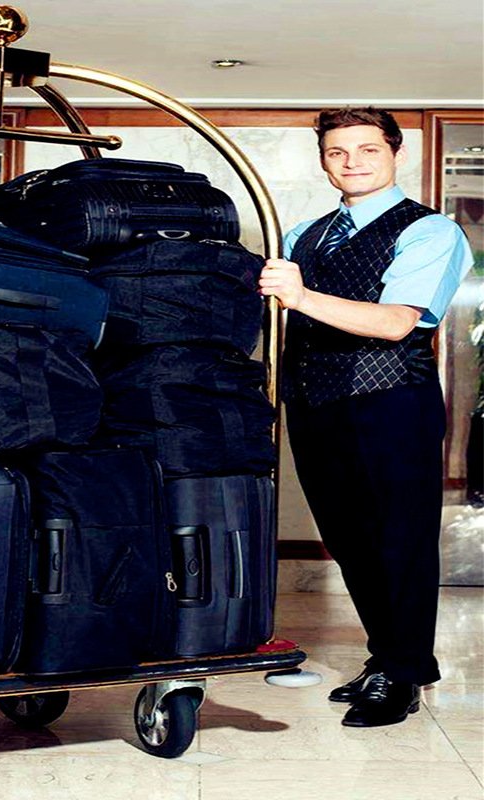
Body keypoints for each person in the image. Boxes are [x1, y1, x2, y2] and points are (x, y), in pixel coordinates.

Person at [259, 107, 473, 728]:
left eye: (367, 149)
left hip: (391, 403)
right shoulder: (305, 233)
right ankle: (387, 657)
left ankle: (404, 674)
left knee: (399, 539)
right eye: (337, 152)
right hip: (314, 402)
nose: (352, 162)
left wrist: (299, 294)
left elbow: (397, 322)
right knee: (349, 540)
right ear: (324, 161)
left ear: (395, 153)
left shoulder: (430, 231)